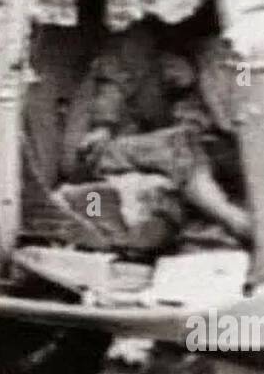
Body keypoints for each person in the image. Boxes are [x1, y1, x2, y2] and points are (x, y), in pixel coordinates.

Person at [62, 14, 252, 252]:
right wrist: (103, 126)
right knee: (180, 144)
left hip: (145, 149)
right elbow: (112, 83)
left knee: (205, 147)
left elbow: (201, 118)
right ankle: (234, 220)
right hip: (95, 152)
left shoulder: (183, 84)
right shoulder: (136, 45)